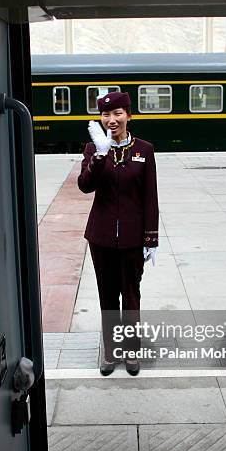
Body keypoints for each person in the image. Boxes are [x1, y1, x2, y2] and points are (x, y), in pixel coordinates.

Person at [77, 91, 159, 376]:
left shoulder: (145, 150)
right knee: (108, 297)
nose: (111, 120)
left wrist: (151, 239)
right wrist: (99, 154)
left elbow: (151, 197)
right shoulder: (94, 148)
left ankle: (132, 352)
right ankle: (112, 353)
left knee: (131, 296)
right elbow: (85, 186)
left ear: (129, 115)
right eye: (105, 115)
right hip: (101, 238)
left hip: (133, 240)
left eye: (117, 114)